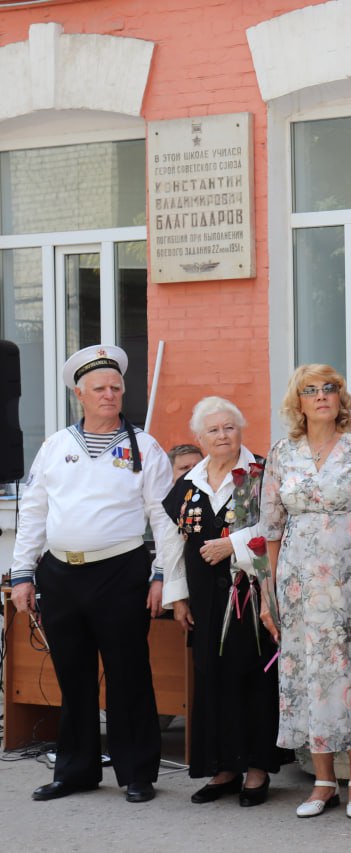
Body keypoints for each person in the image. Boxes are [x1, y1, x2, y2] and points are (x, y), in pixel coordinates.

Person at [10, 344, 181, 804]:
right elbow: (34, 512)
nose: (109, 395)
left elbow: (164, 519)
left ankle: (137, 772)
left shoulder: (143, 447)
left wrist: (163, 573)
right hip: (60, 574)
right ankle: (76, 770)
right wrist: (22, 573)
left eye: (116, 388)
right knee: (73, 675)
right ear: (79, 395)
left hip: (121, 572)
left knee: (128, 673)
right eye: (99, 388)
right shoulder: (55, 446)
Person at [259, 365, 351, 820]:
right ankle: (324, 782)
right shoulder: (282, 454)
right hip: (300, 584)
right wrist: (270, 594)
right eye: (311, 389)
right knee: (312, 673)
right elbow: (271, 528)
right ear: (297, 402)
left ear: (341, 399)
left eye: (331, 388)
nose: (322, 396)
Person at [160, 397, 292, 807]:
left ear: (241, 431)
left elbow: (277, 526)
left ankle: (255, 769)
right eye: (213, 430)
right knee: (211, 677)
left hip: (250, 596)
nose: (223, 436)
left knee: (254, 677)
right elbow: (172, 542)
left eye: (229, 428)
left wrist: (230, 545)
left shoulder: (259, 474)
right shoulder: (189, 482)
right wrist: (177, 596)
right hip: (203, 597)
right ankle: (224, 767)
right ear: (200, 437)